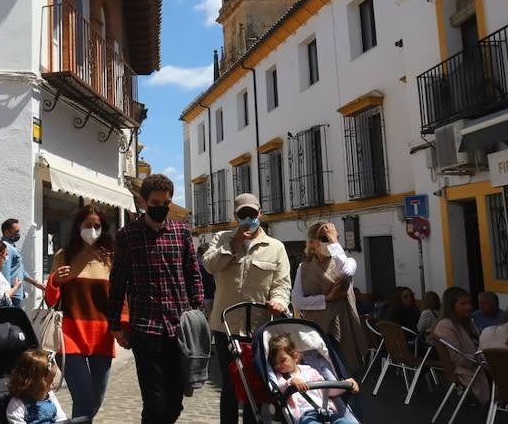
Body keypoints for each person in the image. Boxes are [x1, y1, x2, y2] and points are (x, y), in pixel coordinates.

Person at [108, 174, 204, 424]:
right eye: (156, 202)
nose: (161, 208)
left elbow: (193, 273)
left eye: (166, 203)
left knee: (175, 400)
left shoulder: (181, 233)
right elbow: (118, 281)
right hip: (145, 328)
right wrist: (115, 323)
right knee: (154, 400)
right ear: (143, 201)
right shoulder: (127, 236)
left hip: (178, 327)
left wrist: (197, 309)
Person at [203, 193, 291, 424]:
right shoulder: (221, 238)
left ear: (260, 214)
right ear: (235, 216)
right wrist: (234, 244)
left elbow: (282, 283)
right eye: (243, 214)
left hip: (258, 329)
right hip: (225, 327)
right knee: (230, 385)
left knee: (255, 385)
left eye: (252, 214)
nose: (248, 218)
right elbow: (209, 265)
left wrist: (279, 300)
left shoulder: (276, 247)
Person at [47, 204, 119, 420]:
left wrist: (123, 327)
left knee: (94, 402)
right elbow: (50, 300)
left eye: (98, 226)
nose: (93, 230)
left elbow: (121, 296)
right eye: (88, 225)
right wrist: (55, 282)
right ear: (79, 225)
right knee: (84, 400)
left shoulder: (111, 258)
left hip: (102, 337)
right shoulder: (64, 255)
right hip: (70, 336)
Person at [292, 221, 367, 373]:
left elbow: (345, 272)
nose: (330, 241)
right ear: (313, 242)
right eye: (324, 238)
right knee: (321, 376)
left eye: (334, 237)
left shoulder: (348, 262)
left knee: (345, 375)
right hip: (315, 331)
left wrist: (334, 242)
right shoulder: (303, 267)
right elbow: (297, 301)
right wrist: (326, 298)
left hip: (343, 327)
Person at [267, 334, 360, 424]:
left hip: (326, 410)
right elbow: (280, 389)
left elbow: (327, 389)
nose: (278, 365)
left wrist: (345, 385)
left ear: (295, 357)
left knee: (345, 422)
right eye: (275, 363)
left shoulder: (309, 370)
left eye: (282, 360)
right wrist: (291, 381)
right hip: (305, 414)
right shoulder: (281, 377)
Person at [431, 287, 488, 402]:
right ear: (451, 306)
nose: (469, 307)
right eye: (463, 304)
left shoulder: (468, 322)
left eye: (469, 303)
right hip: (466, 370)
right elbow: (458, 358)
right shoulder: (445, 325)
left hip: (478, 364)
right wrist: (484, 359)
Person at [4, 348, 69, 424]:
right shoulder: (17, 404)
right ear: (37, 384)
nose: (53, 384)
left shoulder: (50, 396)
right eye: (50, 381)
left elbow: (61, 418)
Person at [1, 218, 44, 309]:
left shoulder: (12, 247)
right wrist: (8, 295)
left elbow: (20, 271)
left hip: (16, 293)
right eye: (16, 231)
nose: (18, 234)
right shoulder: (6, 247)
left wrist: (35, 283)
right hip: (12, 295)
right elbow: (5, 272)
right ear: (6, 232)